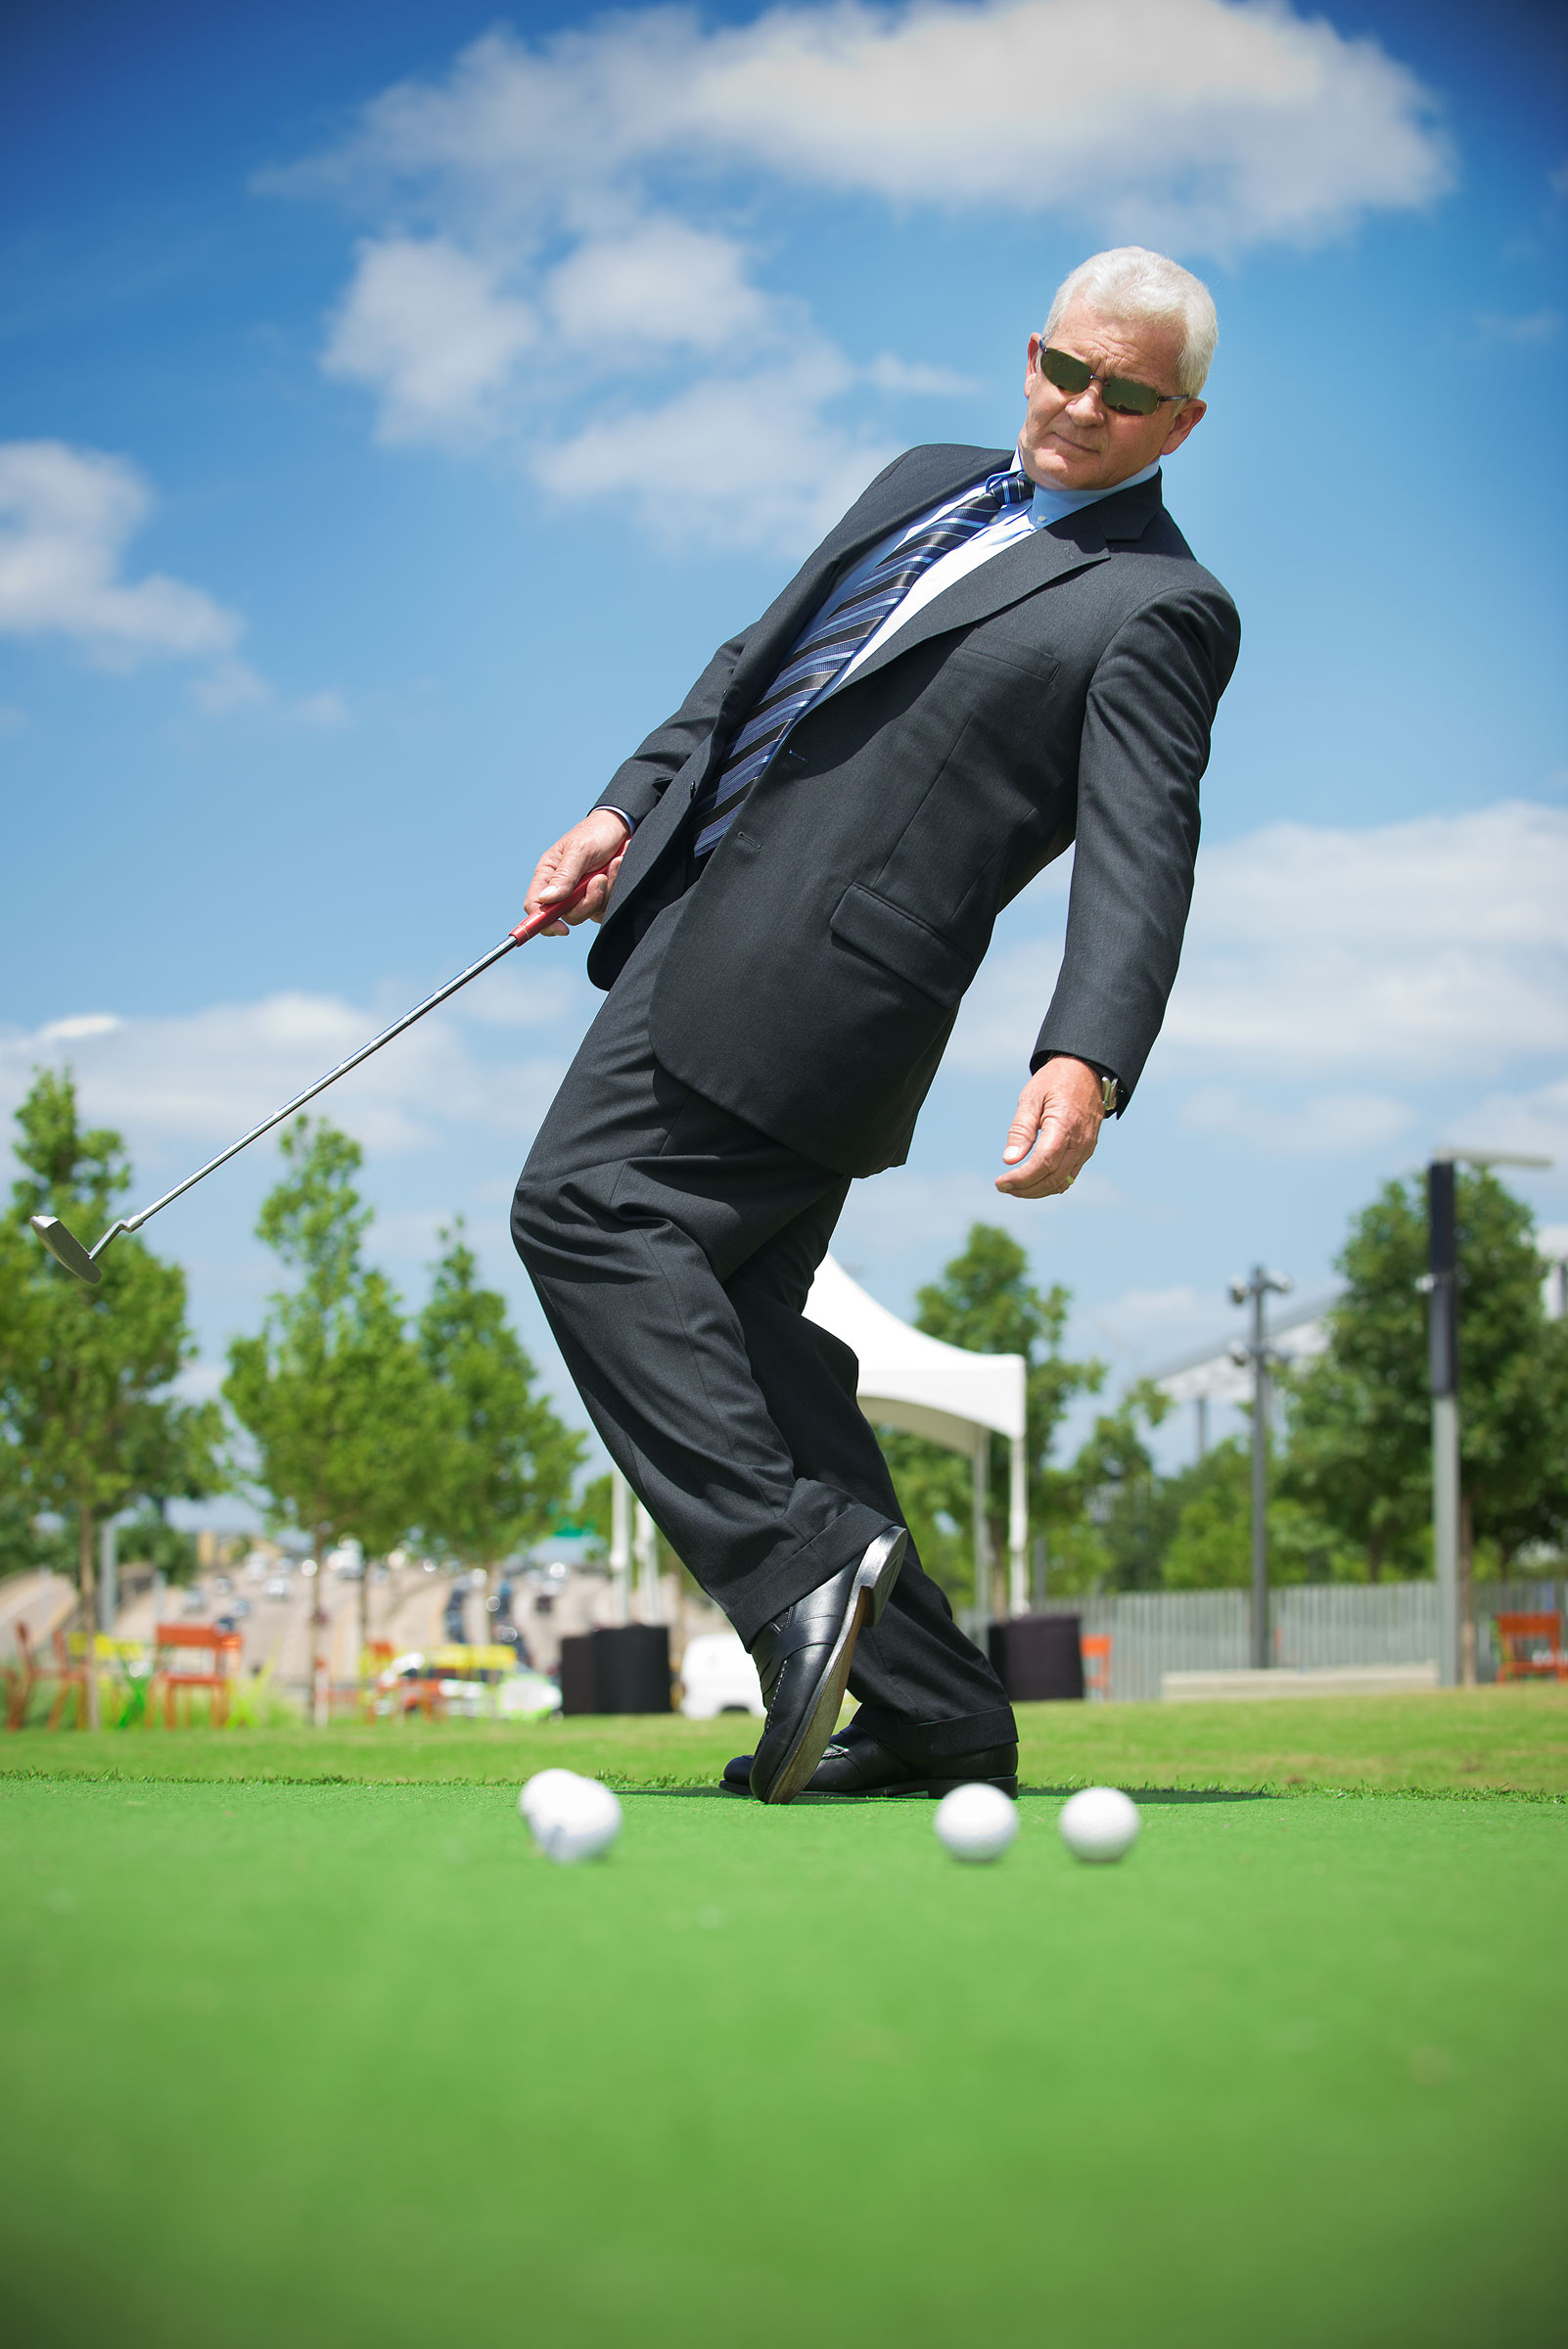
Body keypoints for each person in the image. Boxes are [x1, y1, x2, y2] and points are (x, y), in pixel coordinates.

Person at [512, 246, 1240, 1804]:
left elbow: (1141, 849)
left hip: (824, 994)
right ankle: (935, 1713)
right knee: (748, 1343)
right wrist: (622, 807)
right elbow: (755, 665)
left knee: (581, 1208)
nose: (1080, 407)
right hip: (687, 916)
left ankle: (796, 1573)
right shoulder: (919, 479)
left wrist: (1086, 1050)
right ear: (1032, 352)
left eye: (1124, 395)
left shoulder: (1159, 606)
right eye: (1064, 369)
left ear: (1180, 423)